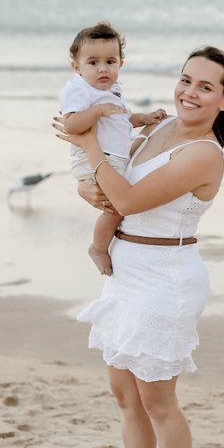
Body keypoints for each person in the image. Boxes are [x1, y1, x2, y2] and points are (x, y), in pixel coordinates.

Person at [57, 46, 224, 448]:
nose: (190, 92)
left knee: (159, 401)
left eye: (205, 87)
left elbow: (125, 197)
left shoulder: (203, 153)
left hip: (167, 278)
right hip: (126, 270)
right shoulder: (158, 129)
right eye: (186, 80)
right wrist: (87, 187)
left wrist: (88, 143)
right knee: (125, 394)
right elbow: (109, 186)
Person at [58, 22, 167, 276]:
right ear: (77, 67)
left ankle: (119, 241)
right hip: (91, 158)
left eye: (110, 61)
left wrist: (145, 118)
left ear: (120, 63)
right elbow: (71, 125)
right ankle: (98, 247)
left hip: (113, 158)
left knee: (123, 203)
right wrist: (98, 111)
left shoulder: (113, 90)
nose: (102, 68)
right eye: (93, 62)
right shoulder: (78, 89)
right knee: (116, 206)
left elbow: (123, 118)